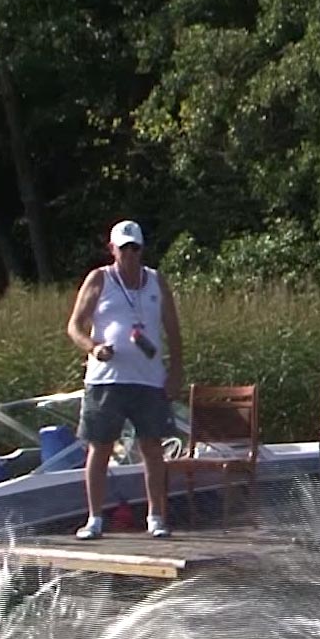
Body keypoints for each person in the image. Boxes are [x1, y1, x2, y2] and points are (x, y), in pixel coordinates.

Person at [65, 219, 185, 539]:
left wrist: (176, 372)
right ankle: (94, 518)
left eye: (135, 248)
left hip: (148, 379)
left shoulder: (157, 281)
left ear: (142, 249)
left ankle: (156, 516)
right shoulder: (100, 279)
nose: (130, 254)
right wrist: (93, 347)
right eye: (124, 248)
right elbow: (75, 326)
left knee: (152, 447)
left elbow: (173, 331)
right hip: (107, 379)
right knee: (100, 446)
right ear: (112, 249)